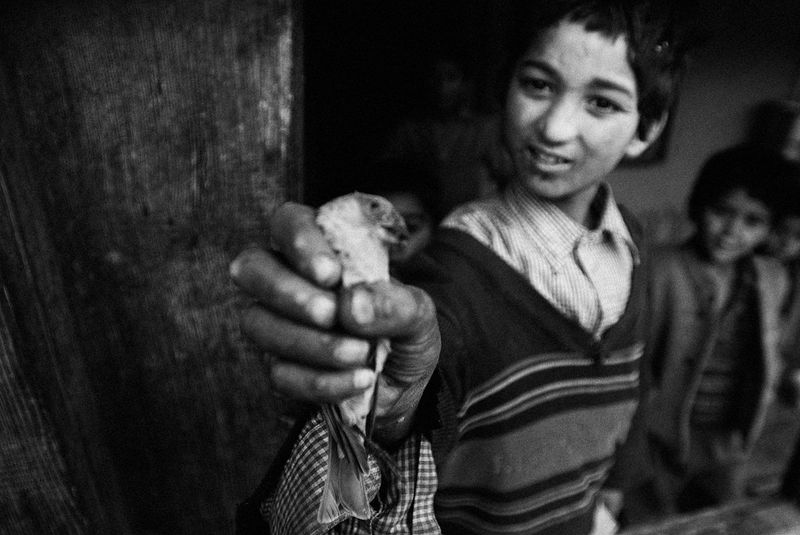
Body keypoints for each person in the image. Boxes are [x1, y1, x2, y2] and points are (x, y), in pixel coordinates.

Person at [231, 1, 691, 533]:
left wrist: (610, 496)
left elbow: (631, 384)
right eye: (538, 85)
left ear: (647, 129)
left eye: (602, 103)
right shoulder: (453, 268)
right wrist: (390, 405)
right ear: (504, 90)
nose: (556, 128)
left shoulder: (632, 240)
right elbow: (422, 379)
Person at [644, 144, 795, 516]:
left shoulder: (772, 278)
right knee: (652, 521)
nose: (732, 231)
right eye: (722, 212)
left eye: (753, 221)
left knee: (726, 518)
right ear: (699, 206)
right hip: (657, 439)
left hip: (728, 442)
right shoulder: (658, 270)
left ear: (770, 228)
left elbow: (770, 353)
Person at [378, 50, 505, 217]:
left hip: (473, 224)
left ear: (465, 84)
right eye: (435, 77)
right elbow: (385, 176)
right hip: (423, 224)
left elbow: (506, 178)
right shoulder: (411, 130)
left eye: (451, 78)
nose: (442, 87)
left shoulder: (484, 128)